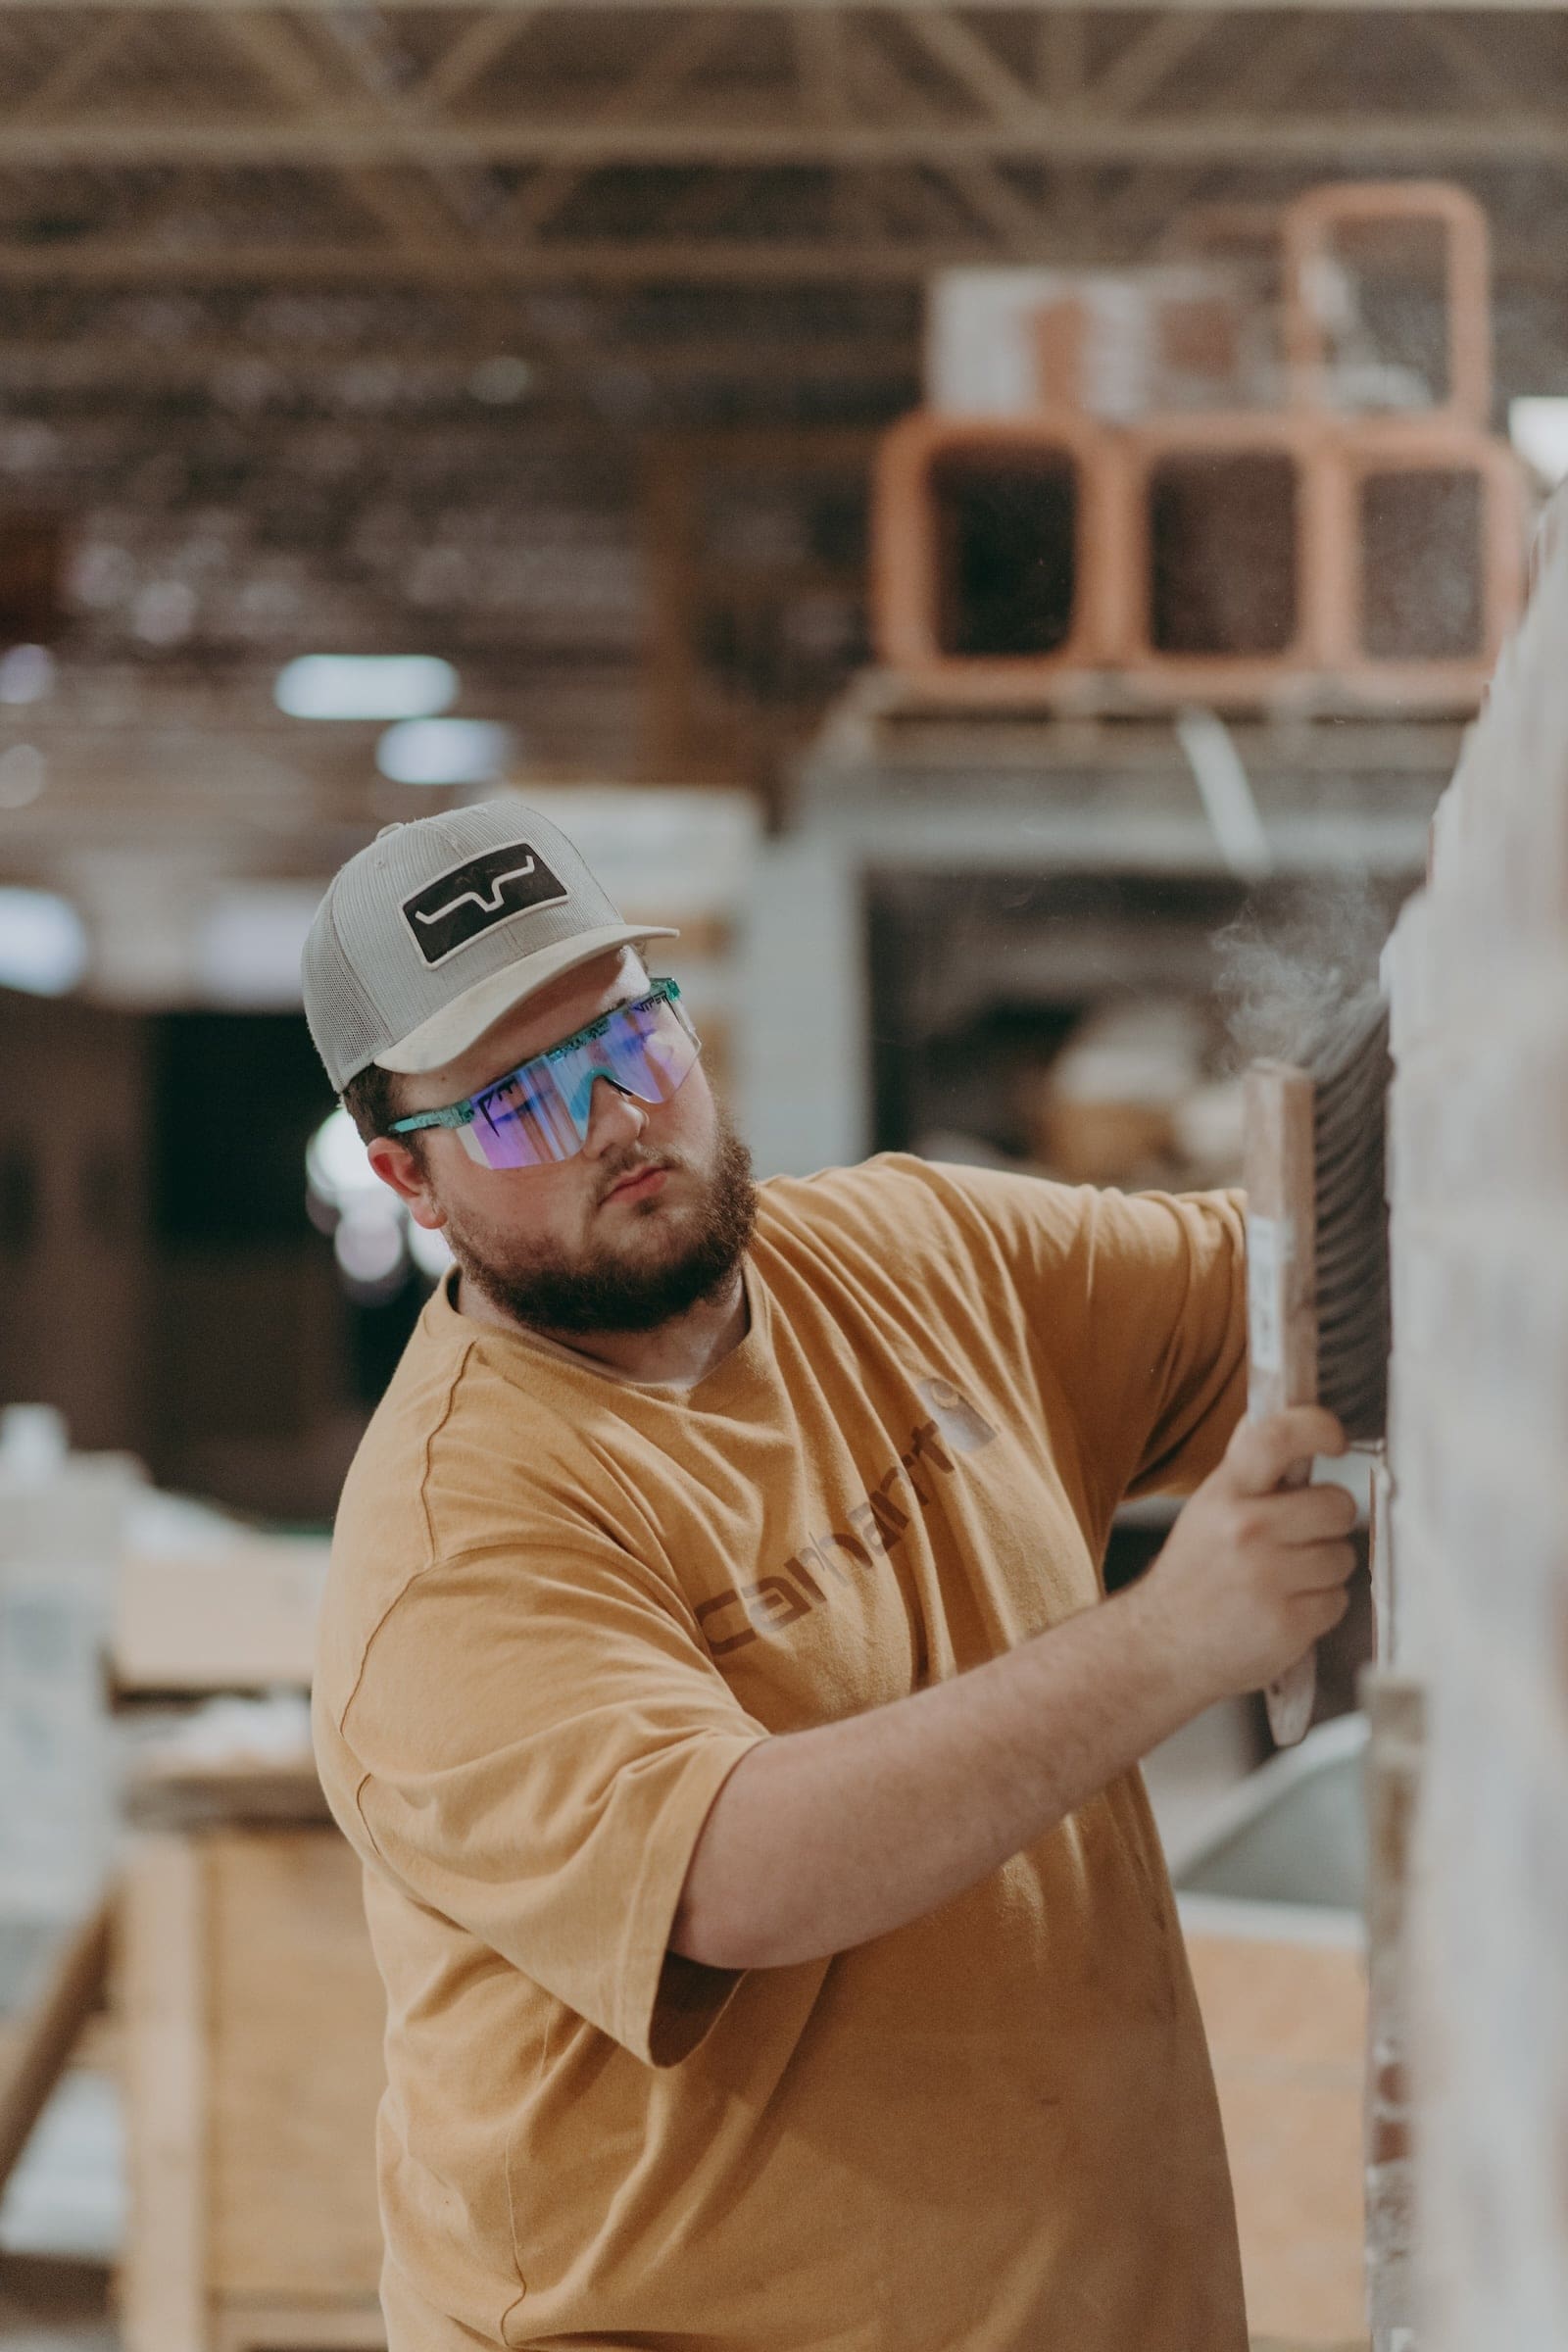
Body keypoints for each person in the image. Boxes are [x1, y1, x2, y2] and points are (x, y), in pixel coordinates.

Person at [304, 800, 1358, 2352]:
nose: (617, 1122)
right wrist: (1173, 1641)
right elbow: (735, 1872)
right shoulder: (456, 1540)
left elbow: (1293, 1279)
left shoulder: (912, 1256)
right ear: (408, 1178)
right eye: (523, 1108)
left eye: (631, 1042)